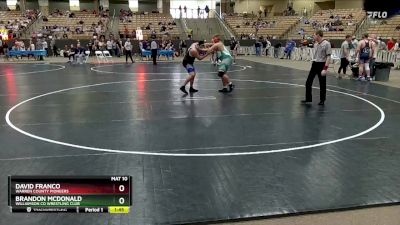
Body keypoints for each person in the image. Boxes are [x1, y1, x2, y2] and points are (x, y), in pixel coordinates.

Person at [302, 30, 331, 106]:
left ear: (318, 35)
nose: (313, 37)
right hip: (314, 64)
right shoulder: (316, 44)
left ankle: (322, 100)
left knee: (322, 83)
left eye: (314, 35)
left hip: (322, 64)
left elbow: (328, 57)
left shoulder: (327, 44)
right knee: (308, 82)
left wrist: (325, 68)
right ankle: (308, 98)